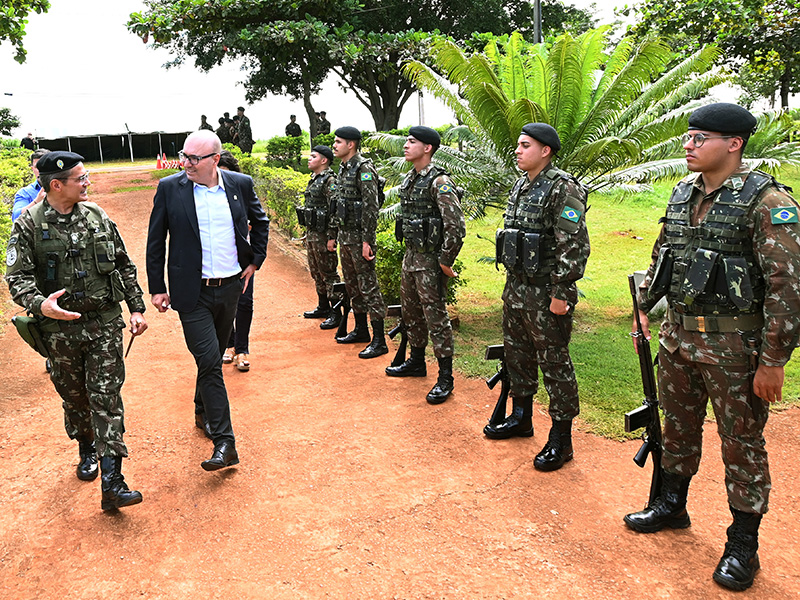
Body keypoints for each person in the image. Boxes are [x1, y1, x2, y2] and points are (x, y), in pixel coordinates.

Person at [623, 103, 800, 592]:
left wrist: (773, 362)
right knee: (676, 427)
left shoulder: (767, 202)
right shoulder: (683, 193)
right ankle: (671, 503)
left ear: (734, 144)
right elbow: (663, 256)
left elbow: (788, 286)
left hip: (733, 348)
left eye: (700, 137)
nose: (688, 144)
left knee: (741, 442)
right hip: (678, 338)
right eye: (688, 137)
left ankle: (744, 544)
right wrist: (644, 305)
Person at [5, 151, 148, 511]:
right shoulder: (29, 224)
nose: (87, 183)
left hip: (103, 323)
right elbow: (16, 277)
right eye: (80, 178)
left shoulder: (97, 214)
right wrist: (40, 305)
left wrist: (136, 307)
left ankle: (112, 480)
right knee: (76, 398)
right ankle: (86, 446)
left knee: (106, 396)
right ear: (57, 185)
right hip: (59, 331)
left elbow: (122, 261)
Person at [146, 130, 269, 471]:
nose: (185, 163)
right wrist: (157, 286)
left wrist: (255, 261)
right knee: (212, 361)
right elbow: (156, 240)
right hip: (191, 292)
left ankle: (202, 410)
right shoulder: (171, 188)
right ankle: (225, 442)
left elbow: (260, 221)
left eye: (193, 159)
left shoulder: (239, 184)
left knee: (210, 357)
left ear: (215, 159)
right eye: (183, 156)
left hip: (230, 287)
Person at [483, 123, 590, 473]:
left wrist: (562, 292)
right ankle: (521, 416)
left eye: (525, 146)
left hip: (546, 291)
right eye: (518, 145)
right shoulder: (520, 185)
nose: (517, 151)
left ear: (545, 150)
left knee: (555, 364)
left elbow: (572, 245)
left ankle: (562, 439)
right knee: (518, 355)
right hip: (516, 288)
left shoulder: (563, 187)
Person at [385, 126, 465, 404]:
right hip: (411, 257)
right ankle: (417, 361)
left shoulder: (439, 181)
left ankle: (445, 378)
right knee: (411, 313)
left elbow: (455, 226)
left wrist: (445, 261)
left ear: (427, 148)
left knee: (436, 318)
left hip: (430, 261)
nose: (405, 146)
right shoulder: (410, 179)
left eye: (412, 142)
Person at [330, 126, 387, 358]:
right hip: (346, 237)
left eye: (338, 142)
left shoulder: (363, 169)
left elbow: (371, 207)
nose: (334, 145)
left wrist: (368, 241)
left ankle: (380, 339)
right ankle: (361, 330)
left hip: (359, 239)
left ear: (351, 145)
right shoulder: (344, 169)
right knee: (353, 285)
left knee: (368, 286)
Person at [216, 150, 256, 372]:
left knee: (244, 302)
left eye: (225, 173)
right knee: (224, 305)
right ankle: (229, 345)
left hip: (242, 257)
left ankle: (242, 349)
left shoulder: (242, 191)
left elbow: (259, 221)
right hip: (218, 258)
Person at [301, 145, 342, 329]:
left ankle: (336, 312)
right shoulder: (314, 179)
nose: (309, 159)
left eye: (313, 156)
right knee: (316, 271)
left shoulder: (330, 180)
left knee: (328, 273)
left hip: (324, 234)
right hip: (313, 233)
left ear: (324, 160)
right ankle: (323, 306)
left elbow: (334, 210)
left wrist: (332, 236)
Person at [12, 149, 50, 222]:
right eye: (37, 167)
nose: (41, 170)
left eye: (44, 166)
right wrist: (36, 201)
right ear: (32, 169)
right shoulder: (25, 193)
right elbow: (16, 217)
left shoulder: (65, 187)